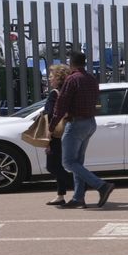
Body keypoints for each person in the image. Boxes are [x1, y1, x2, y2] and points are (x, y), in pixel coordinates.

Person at [51, 51, 114, 209]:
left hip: (76, 123)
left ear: (71, 63)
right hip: (90, 123)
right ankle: (78, 198)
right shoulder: (91, 79)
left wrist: (52, 126)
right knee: (77, 162)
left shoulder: (72, 79)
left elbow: (61, 104)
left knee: (68, 162)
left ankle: (101, 185)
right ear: (84, 63)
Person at [43, 64, 74, 206]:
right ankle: (60, 195)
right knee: (61, 164)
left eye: (51, 76)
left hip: (56, 132)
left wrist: (47, 136)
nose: (49, 78)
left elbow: (50, 114)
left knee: (52, 166)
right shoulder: (70, 92)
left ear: (58, 78)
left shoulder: (54, 93)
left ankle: (81, 184)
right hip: (69, 130)